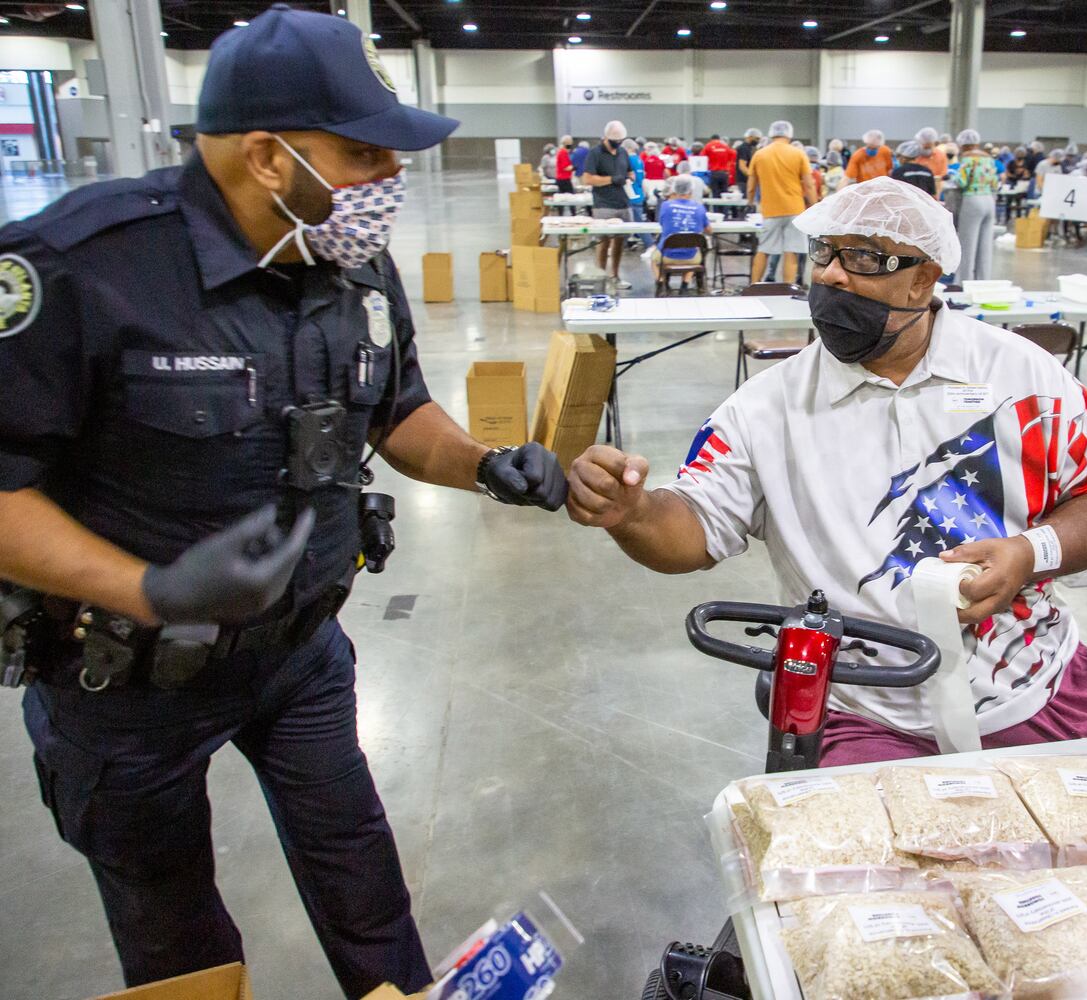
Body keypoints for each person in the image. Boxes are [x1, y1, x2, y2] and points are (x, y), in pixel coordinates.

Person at [0, 8, 570, 999]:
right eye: (361, 154)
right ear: (266, 156)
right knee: (178, 938)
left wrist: (483, 464)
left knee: (367, 890)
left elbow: (398, 410)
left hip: (300, 656)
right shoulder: (80, 271)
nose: (388, 180)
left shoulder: (351, 261)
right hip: (124, 687)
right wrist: (146, 583)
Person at [564, 175, 1087, 766]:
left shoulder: (1021, 377)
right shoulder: (766, 407)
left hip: (1036, 682)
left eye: (864, 258)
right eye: (823, 251)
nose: (829, 273)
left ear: (924, 280)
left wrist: (1029, 553)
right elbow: (691, 534)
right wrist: (633, 512)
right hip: (864, 708)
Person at [746, 119, 815, 284]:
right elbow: (809, 184)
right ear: (789, 134)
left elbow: (751, 186)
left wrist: (750, 202)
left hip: (770, 211)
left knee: (764, 250)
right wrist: (814, 206)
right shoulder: (798, 154)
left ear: (771, 133)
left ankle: (754, 286)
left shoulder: (760, 154)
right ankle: (787, 290)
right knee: (791, 252)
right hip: (794, 210)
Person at [581, 119, 637, 289]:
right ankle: (600, 277)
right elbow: (587, 179)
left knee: (620, 242)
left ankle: (615, 275)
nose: (618, 144)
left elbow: (629, 170)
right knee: (603, 242)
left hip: (623, 203)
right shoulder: (595, 153)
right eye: (615, 141)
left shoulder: (622, 153)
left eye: (620, 141)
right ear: (606, 137)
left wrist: (630, 176)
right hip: (604, 204)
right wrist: (611, 179)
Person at [650, 175, 710, 291]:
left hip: (666, 256)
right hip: (691, 257)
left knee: (653, 259)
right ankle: (685, 284)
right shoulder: (699, 207)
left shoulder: (666, 205)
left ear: (674, 189)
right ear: (691, 191)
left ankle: (661, 282)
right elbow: (708, 229)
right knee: (695, 252)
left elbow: (662, 223)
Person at [953, 129, 998, 283]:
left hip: (973, 201)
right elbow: (995, 183)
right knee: (985, 247)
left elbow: (962, 182)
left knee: (967, 245)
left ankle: (963, 282)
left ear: (963, 145)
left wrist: (953, 176)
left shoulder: (967, 158)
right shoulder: (989, 159)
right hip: (989, 201)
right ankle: (983, 281)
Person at [622, 138, 653, 250]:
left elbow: (628, 178)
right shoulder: (639, 160)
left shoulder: (628, 160)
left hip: (630, 194)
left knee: (638, 223)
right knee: (634, 221)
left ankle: (650, 245)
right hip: (638, 193)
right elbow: (641, 178)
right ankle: (624, 243)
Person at [704, 133, 735, 198]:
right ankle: (725, 208)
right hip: (724, 173)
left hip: (714, 173)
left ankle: (716, 208)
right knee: (725, 195)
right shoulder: (725, 146)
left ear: (711, 140)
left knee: (715, 194)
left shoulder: (708, 146)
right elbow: (733, 155)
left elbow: (702, 159)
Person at [735, 128, 762, 195]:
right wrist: (752, 177)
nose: (758, 141)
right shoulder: (744, 148)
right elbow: (742, 166)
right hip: (743, 181)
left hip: (747, 180)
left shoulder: (750, 148)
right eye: (757, 139)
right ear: (750, 137)